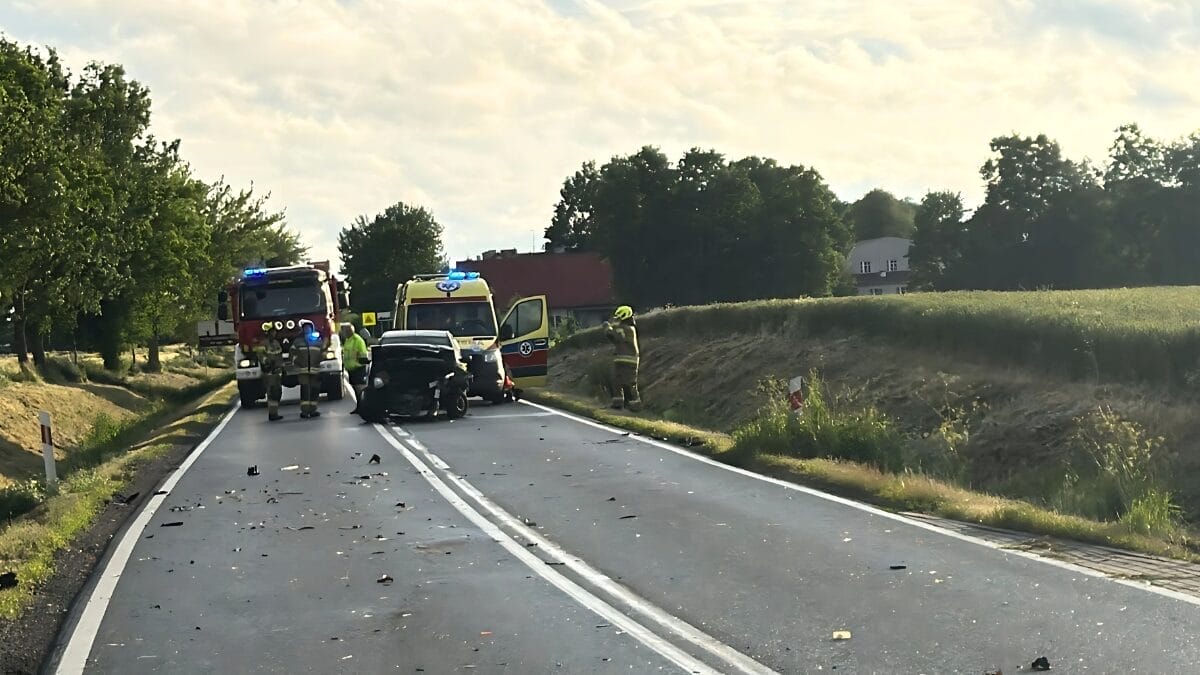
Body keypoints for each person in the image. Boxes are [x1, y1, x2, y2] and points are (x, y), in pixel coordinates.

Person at [604, 305, 641, 411]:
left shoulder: (627, 329)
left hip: (627, 360)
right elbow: (615, 340)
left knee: (628, 382)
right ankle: (618, 403)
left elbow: (615, 335)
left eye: (619, 318)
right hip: (623, 359)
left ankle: (635, 405)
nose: (617, 320)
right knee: (618, 381)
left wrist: (606, 327)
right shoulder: (628, 328)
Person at [294, 320, 327, 419]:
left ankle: (313, 410)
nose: (307, 330)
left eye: (308, 328)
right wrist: (296, 363)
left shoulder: (317, 341)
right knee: (305, 390)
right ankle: (304, 412)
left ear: (312, 329)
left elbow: (323, 353)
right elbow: (293, 354)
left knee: (314, 391)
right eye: (305, 328)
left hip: (315, 370)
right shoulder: (298, 341)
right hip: (303, 370)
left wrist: (321, 360)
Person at [254, 322, 285, 421]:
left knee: (278, 392)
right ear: (268, 333)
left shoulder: (276, 343)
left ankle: (275, 412)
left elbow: (279, 357)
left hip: (277, 371)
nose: (274, 334)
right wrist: (267, 363)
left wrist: (282, 368)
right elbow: (260, 355)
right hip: (269, 372)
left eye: (275, 332)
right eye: (272, 332)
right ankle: (272, 414)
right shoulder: (263, 343)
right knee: (272, 392)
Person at [340, 322, 370, 413]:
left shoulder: (357, 340)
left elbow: (363, 354)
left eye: (343, 331)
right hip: (351, 368)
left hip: (358, 368)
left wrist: (361, 362)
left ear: (348, 331)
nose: (342, 333)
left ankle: (364, 406)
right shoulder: (348, 340)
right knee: (355, 388)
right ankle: (359, 407)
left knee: (360, 388)